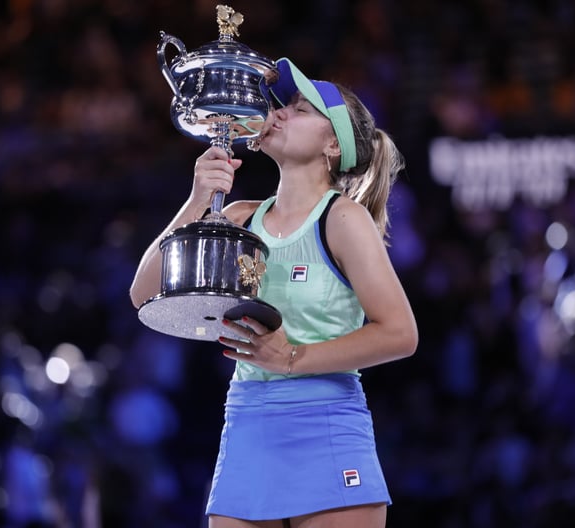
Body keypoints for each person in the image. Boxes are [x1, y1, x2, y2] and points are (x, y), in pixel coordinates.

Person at [129, 57, 418, 528]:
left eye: (301, 109)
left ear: (332, 144)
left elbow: (401, 334)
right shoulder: (239, 215)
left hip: (325, 421)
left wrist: (292, 358)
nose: (279, 112)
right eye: (282, 104)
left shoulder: (343, 219)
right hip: (247, 421)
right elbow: (144, 292)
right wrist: (198, 198)